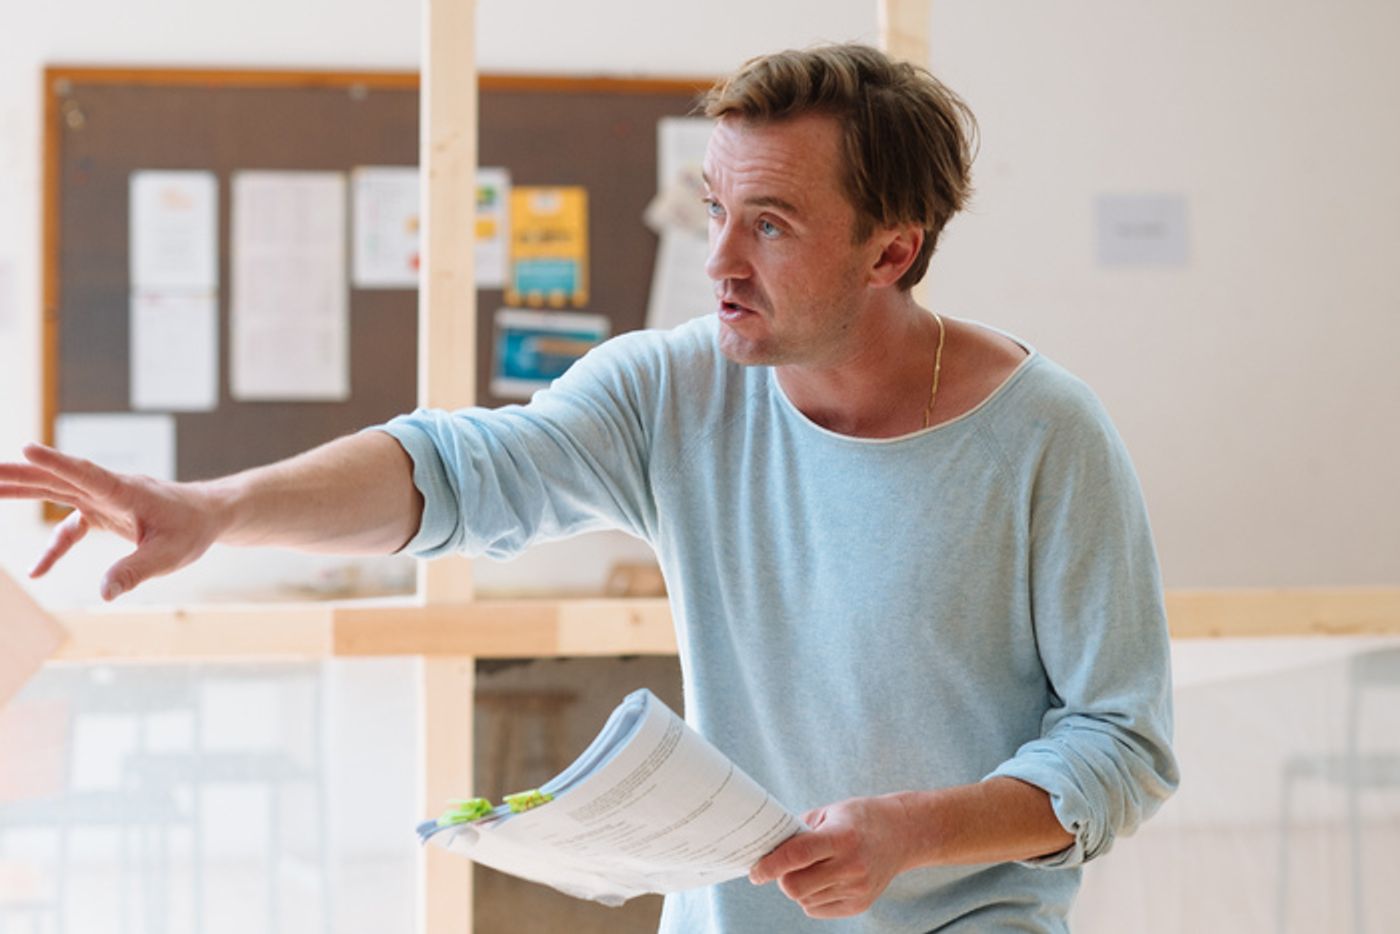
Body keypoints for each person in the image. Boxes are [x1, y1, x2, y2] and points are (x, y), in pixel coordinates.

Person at [0, 43, 1177, 932]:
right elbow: (455, 468)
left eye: (767, 225)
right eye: (716, 209)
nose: (717, 261)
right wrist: (223, 508)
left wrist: (910, 832)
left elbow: (1120, 743)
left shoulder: (1045, 436)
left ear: (891, 250)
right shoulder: (676, 389)